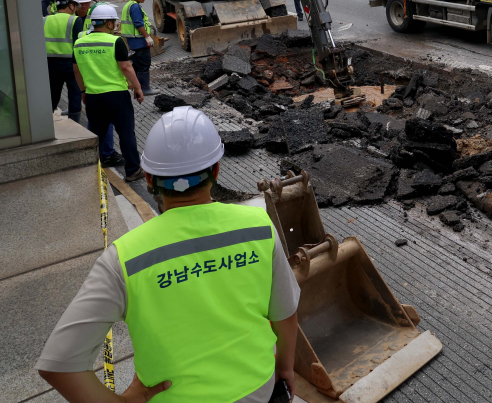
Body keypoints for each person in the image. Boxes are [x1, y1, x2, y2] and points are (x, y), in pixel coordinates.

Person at [36, 107, 300, 403]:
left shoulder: (125, 259)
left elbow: (59, 365)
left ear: (149, 179)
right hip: (258, 390)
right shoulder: (258, 227)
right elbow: (285, 313)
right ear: (215, 170)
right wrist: (284, 368)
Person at [74, 4, 145, 178]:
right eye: (114, 22)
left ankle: (94, 170)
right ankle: (133, 170)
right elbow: (126, 67)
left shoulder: (79, 43)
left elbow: (76, 70)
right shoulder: (115, 41)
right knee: (126, 133)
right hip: (117, 96)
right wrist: (137, 87)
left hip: (93, 97)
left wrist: (83, 91)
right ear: (109, 23)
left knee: (97, 136)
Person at [44, 0, 86, 122]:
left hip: (50, 63)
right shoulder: (75, 20)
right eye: (76, 6)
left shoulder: (45, 20)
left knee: (52, 93)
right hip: (70, 63)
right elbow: (78, 43)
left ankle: (46, 122)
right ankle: (75, 123)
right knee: (74, 93)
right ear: (71, 5)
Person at [122, 0, 156, 96]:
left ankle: (137, 88)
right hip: (139, 41)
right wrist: (147, 36)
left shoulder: (129, 5)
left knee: (137, 65)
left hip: (134, 42)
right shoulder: (135, 6)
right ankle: (145, 88)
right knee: (144, 65)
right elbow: (138, 24)